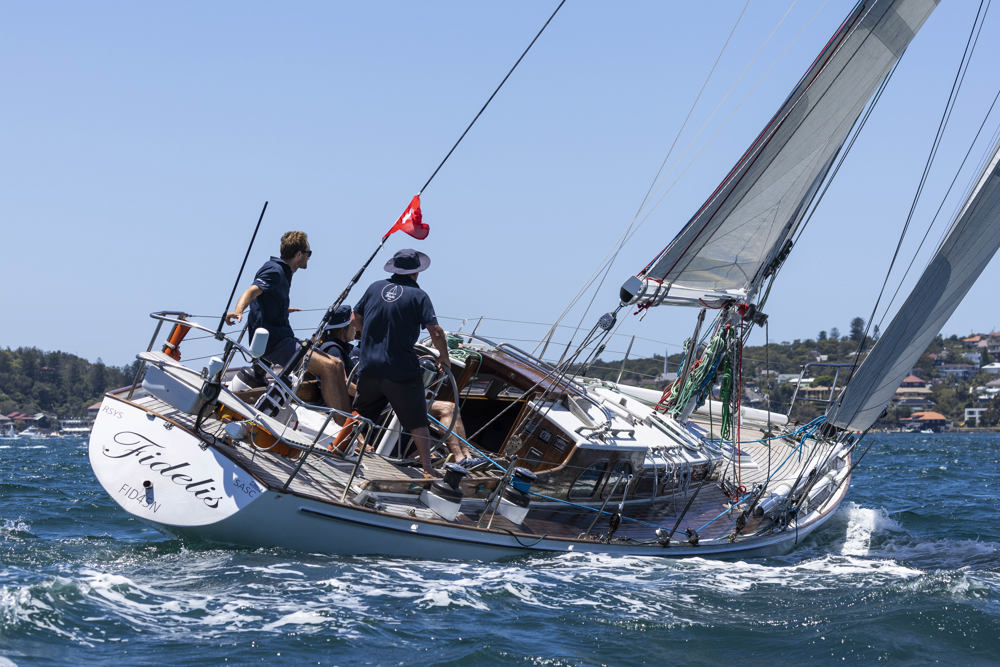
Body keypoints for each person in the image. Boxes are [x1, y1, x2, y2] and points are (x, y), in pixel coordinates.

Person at [321, 301, 474, 464]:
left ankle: (466, 457)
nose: (357, 330)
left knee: (450, 407)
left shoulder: (353, 351)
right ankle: (456, 458)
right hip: (369, 406)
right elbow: (342, 382)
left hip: (381, 402)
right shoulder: (334, 349)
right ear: (344, 327)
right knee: (444, 408)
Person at [225, 231, 350, 422]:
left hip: (283, 339)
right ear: (299, 254)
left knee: (337, 364)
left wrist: (282, 308)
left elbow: (267, 297)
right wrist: (238, 310)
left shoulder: (283, 272)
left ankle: (348, 421)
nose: (309, 257)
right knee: (328, 367)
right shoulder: (275, 270)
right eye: (309, 253)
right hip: (275, 343)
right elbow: (252, 290)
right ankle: (345, 428)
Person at [352, 248, 453, 477]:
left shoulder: (374, 287)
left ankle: (348, 446)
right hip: (401, 371)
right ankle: (428, 469)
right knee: (418, 421)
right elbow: (435, 332)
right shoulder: (419, 296)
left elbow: (354, 318)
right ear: (416, 272)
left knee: (360, 412)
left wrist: (369, 335)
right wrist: (443, 358)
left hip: (369, 365)